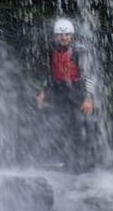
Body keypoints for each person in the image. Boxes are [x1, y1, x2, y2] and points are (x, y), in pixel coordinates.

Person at [35, 18, 96, 172]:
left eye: (67, 34)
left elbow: (89, 76)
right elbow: (49, 74)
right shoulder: (51, 51)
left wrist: (88, 98)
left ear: (71, 35)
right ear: (56, 36)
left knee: (79, 127)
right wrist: (42, 92)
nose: (64, 37)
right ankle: (65, 160)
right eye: (61, 35)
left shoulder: (79, 51)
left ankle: (83, 161)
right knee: (61, 127)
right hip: (59, 94)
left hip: (77, 95)